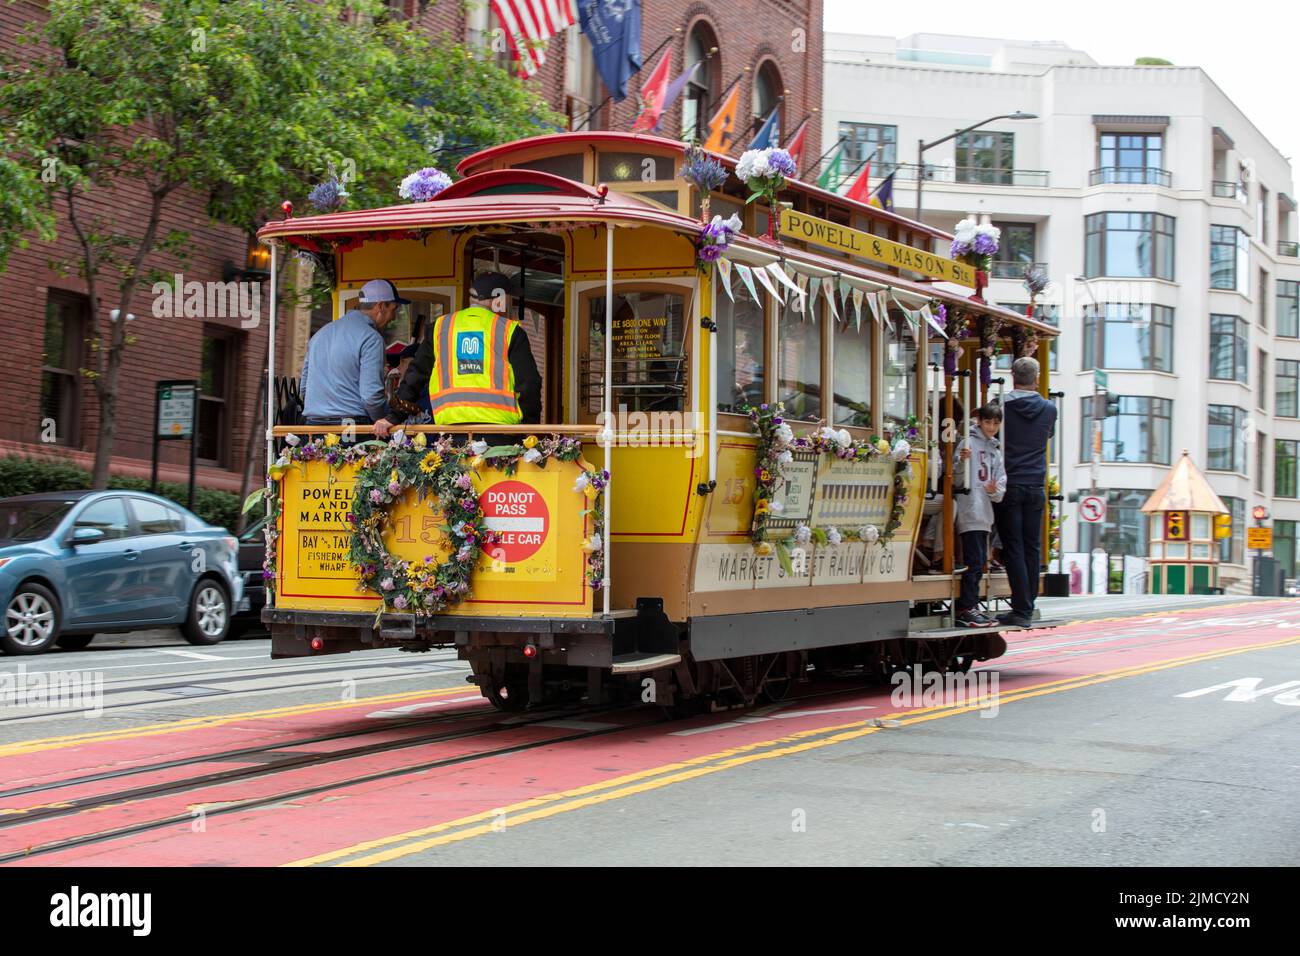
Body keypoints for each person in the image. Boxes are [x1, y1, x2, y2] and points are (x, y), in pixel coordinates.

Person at [393, 271, 542, 426]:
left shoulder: (441, 327)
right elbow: (528, 384)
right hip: (499, 433)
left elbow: (416, 374)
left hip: (450, 432)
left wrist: (394, 416)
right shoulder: (510, 331)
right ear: (499, 300)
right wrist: (529, 428)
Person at [300, 278, 409, 438]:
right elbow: (371, 397)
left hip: (312, 428)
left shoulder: (320, 334)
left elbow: (304, 389)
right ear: (380, 306)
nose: (393, 317)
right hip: (350, 430)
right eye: (394, 309)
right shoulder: (371, 338)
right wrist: (387, 419)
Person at [994, 356, 1058, 626]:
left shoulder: (1001, 406)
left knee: (1013, 547)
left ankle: (1021, 609)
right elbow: (1048, 436)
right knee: (1031, 547)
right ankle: (1028, 605)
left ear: (1012, 374)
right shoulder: (1049, 409)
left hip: (1009, 484)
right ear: (1038, 377)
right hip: (1036, 485)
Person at [954, 403, 1007, 627]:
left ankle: (971, 605)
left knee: (978, 562)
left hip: (984, 512)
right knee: (974, 561)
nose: (992, 427)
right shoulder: (968, 443)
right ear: (980, 421)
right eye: (988, 422)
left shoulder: (995, 449)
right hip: (970, 508)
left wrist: (996, 492)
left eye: (996, 423)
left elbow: (1000, 483)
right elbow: (956, 479)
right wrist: (962, 462)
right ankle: (967, 607)